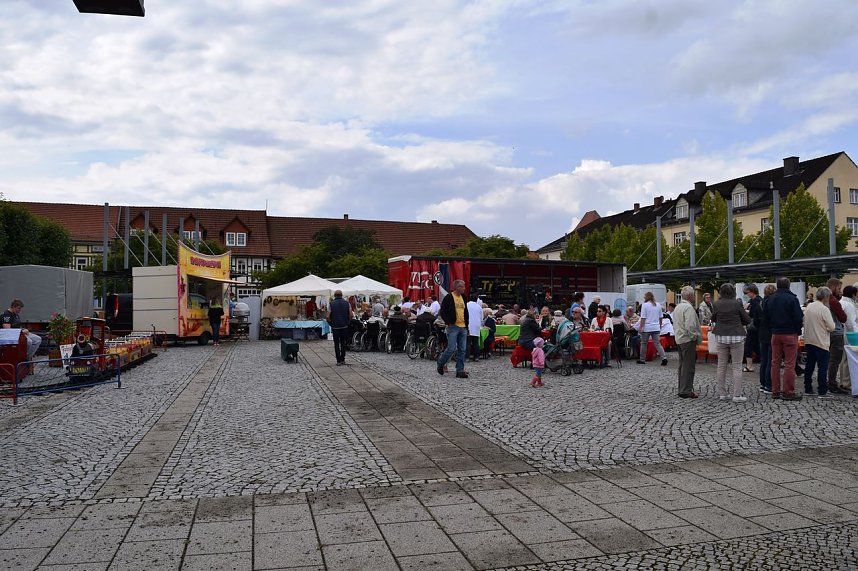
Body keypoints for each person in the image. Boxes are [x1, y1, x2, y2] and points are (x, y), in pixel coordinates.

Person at [765, 277, 804, 400]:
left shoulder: (770, 299)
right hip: (790, 333)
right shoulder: (792, 299)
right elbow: (798, 317)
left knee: (775, 363)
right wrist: (797, 331)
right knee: (789, 364)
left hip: (775, 334)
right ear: (788, 286)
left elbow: (765, 317)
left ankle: (775, 390)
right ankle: (788, 392)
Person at [712, 283, 752, 402]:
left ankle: (722, 394)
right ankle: (737, 395)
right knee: (737, 366)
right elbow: (747, 319)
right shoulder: (737, 303)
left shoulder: (716, 304)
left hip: (721, 337)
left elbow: (713, 318)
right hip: (736, 336)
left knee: (721, 366)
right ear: (733, 292)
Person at [803, 287, 836, 399]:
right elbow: (832, 327)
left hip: (809, 340)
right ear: (826, 297)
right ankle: (822, 390)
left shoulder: (809, 306)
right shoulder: (824, 309)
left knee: (809, 365)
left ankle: (808, 388)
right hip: (821, 341)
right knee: (822, 367)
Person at [437, 280, 470, 378]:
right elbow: (442, 311)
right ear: (457, 287)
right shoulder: (449, 297)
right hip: (453, 326)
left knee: (462, 349)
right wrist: (449, 322)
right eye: (462, 287)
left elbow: (465, 311)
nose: (464, 288)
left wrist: (467, 325)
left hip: (463, 326)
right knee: (451, 348)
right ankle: (441, 363)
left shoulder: (463, 297)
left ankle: (460, 370)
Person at [673, 286, 702, 399]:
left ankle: (682, 388)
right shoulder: (689, 308)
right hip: (687, 339)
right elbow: (690, 325)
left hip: (679, 338)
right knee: (688, 366)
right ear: (690, 296)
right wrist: (694, 336)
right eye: (693, 295)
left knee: (682, 365)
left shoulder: (678, 307)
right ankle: (686, 390)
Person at [825, 278, 849, 395]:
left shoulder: (822, 300)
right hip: (836, 333)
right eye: (839, 288)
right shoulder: (833, 301)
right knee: (835, 360)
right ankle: (832, 384)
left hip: (826, 333)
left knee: (829, 360)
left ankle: (829, 382)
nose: (840, 291)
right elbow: (843, 317)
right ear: (833, 287)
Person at [637, 292, 667, 366]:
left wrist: (641, 327)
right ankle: (664, 357)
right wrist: (659, 326)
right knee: (657, 344)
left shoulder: (644, 305)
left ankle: (642, 359)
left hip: (647, 327)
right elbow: (661, 317)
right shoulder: (658, 305)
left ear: (646, 297)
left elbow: (643, 318)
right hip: (656, 327)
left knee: (644, 343)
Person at [757, 284, 776, 394]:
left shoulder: (761, 303)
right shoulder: (772, 304)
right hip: (770, 333)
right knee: (770, 360)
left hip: (762, 333)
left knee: (763, 360)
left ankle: (763, 383)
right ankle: (769, 384)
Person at [328, 290, 352, 366]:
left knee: (336, 343)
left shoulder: (331, 304)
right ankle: (343, 359)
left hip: (335, 327)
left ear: (335, 296)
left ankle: (338, 360)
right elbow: (351, 315)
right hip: (344, 326)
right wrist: (348, 322)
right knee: (343, 343)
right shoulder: (347, 303)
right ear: (342, 295)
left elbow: (327, 317)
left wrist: (331, 324)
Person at [743, 284, 762, 373]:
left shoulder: (755, 301)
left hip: (753, 327)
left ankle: (749, 366)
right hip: (758, 327)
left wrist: (746, 311)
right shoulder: (759, 299)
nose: (746, 295)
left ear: (752, 291)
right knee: (756, 347)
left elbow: (753, 314)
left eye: (747, 293)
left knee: (749, 346)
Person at [466, 294, 483, 362]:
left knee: (467, 342)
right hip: (476, 326)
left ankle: (467, 357)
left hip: (468, 325)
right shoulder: (479, 307)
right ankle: (476, 357)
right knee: (476, 342)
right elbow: (481, 318)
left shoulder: (466, 305)